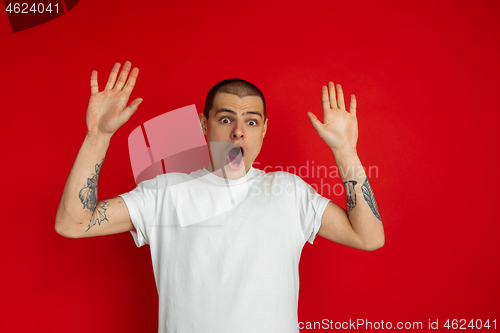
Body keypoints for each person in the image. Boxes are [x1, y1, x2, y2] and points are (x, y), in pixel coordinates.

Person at [55, 61, 385, 333]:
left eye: (251, 121)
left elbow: (368, 237)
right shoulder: (164, 193)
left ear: (264, 130)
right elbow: (73, 223)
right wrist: (97, 137)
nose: (238, 131)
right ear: (204, 123)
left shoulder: (290, 192)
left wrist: (344, 151)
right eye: (226, 119)